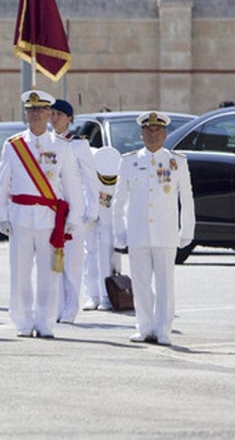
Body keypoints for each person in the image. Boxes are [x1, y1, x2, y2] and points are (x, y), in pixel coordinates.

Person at [0, 90, 83, 339]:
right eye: (30, 110)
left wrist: (74, 218)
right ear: (25, 113)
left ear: (48, 114)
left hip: (49, 219)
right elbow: (3, 182)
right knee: (20, 272)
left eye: (40, 110)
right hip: (20, 217)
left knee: (49, 274)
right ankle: (23, 321)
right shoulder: (13, 145)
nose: (35, 114)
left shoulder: (61, 146)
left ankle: (45, 322)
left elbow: (72, 184)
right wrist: (2, 215)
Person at [114, 112, 195, 346]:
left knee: (165, 284)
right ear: (141, 134)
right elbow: (119, 200)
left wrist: (186, 230)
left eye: (157, 130)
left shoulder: (176, 162)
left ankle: (163, 329)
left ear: (165, 134)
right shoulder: (129, 161)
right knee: (140, 283)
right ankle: (144, 326)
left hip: (165, 232)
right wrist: (119, 232)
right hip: (138, 231)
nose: (152, 134)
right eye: (148, 130)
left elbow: (186, 198)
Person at [48, 98, 98, 323]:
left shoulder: (78, 145)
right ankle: (56, 306)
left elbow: (90, 179)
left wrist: (91, 209)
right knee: (53, 261)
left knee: (73, 262)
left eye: (59, 114)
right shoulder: (46, 142)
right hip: (52, 209)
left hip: (73, 210)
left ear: (69, 118)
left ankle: (70, 308)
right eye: (52, 113)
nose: (54, 118)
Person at [87, 146, 123, 311]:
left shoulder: (117, 171)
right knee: (90, 253)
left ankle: (107, 295)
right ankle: (93, 294)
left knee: (107, 253)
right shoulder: (90, 165)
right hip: (90, 213)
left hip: (109, 216)